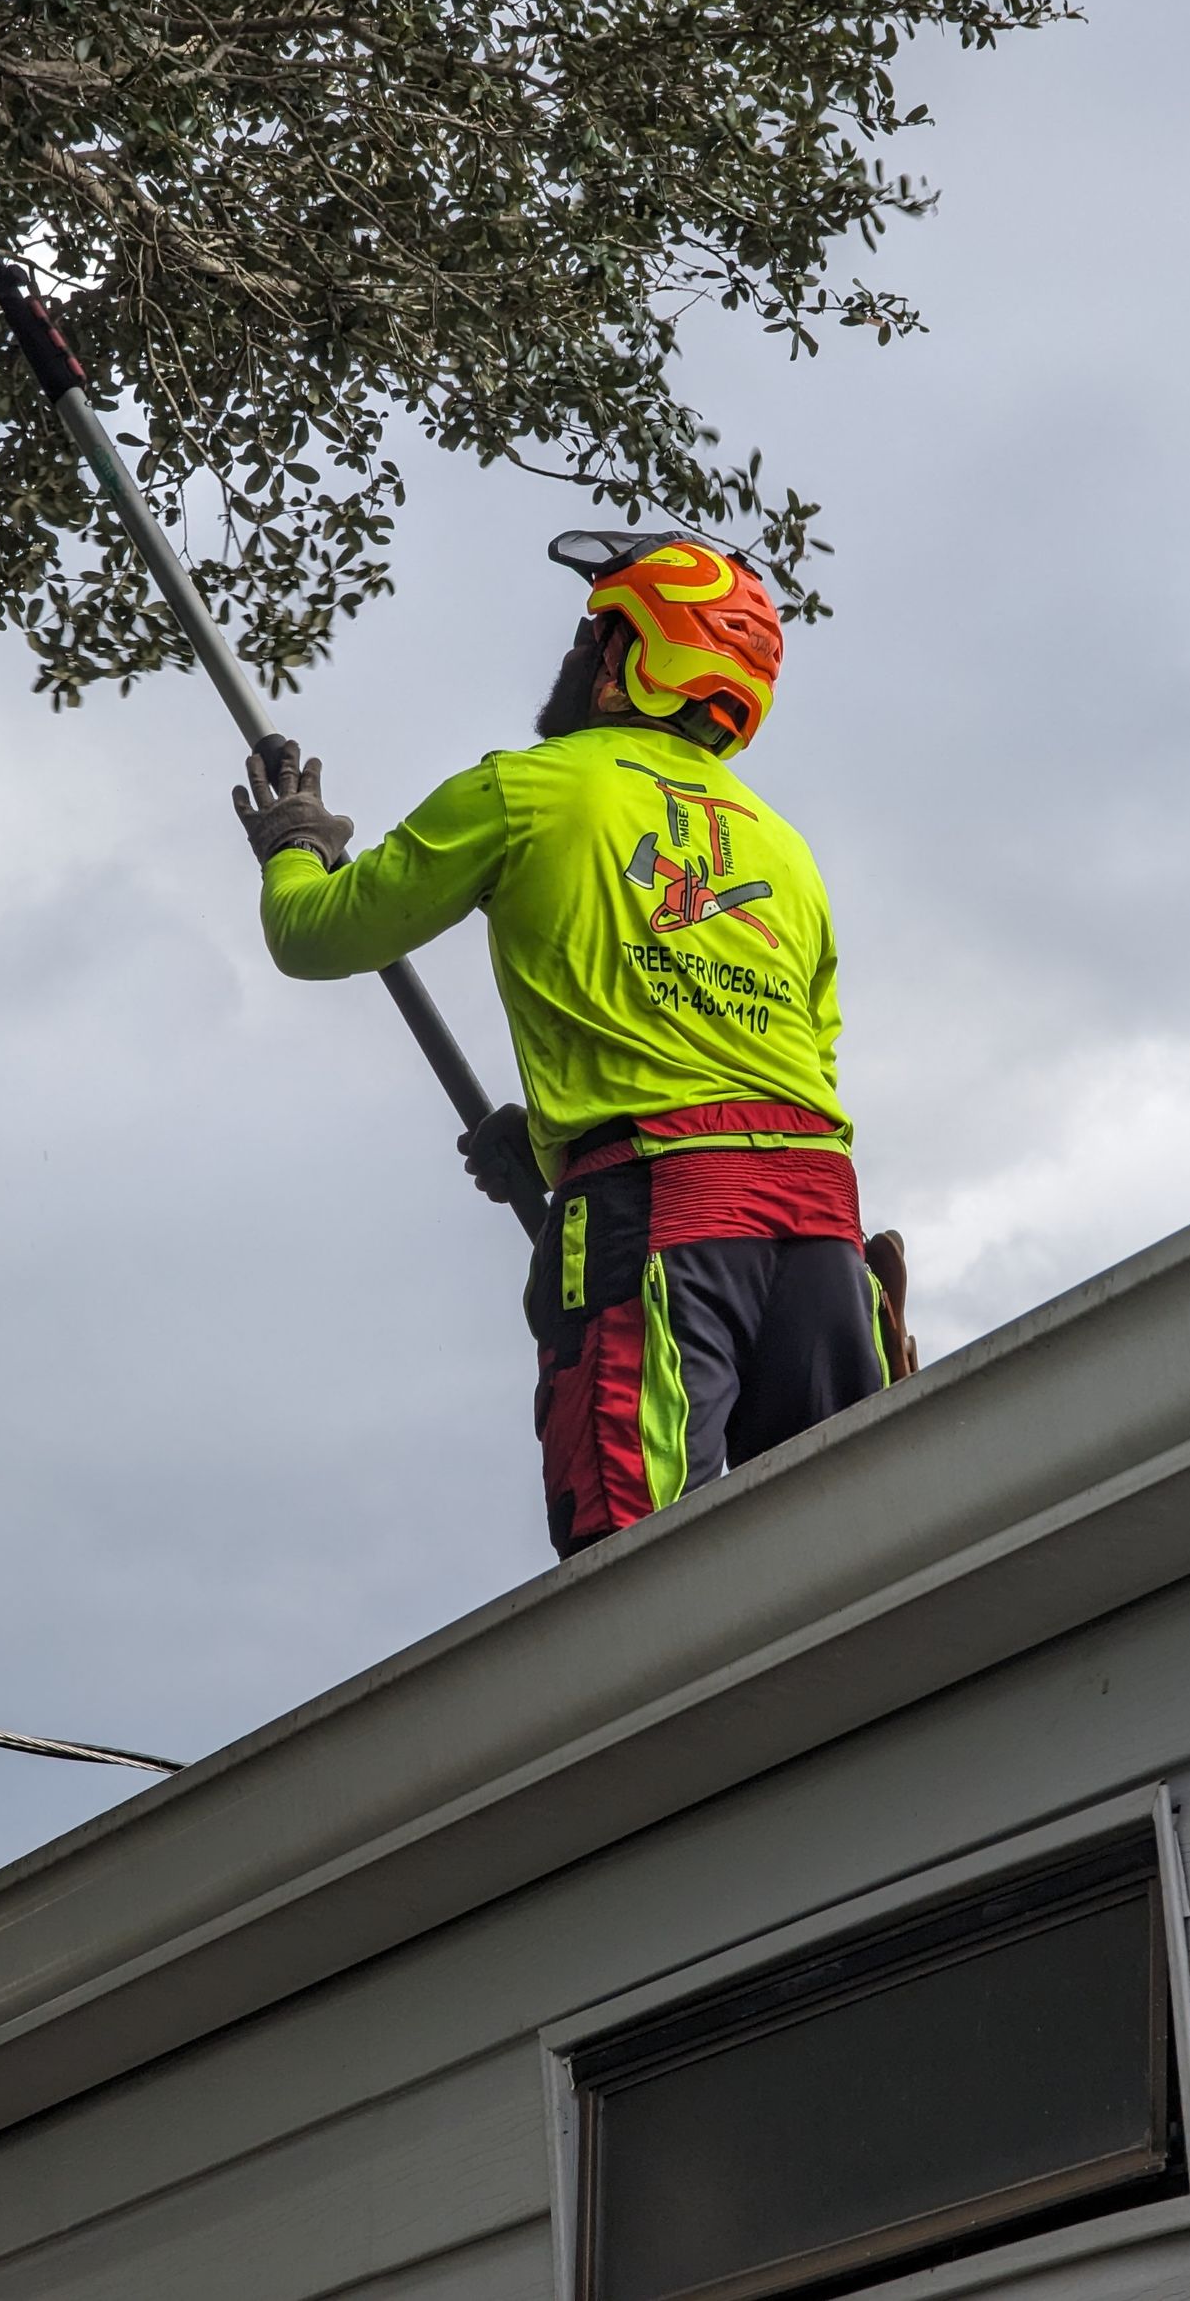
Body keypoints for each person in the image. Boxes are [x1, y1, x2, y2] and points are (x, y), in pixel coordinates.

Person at [233, 531, 915, 1559]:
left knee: (638, 1579)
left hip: (660, 1220)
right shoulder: (786, 850)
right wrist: (558, 1149)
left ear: (631, 658)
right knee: (853, 1571)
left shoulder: (529, 787)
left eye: (594, 635)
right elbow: (777, 1071)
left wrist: (296, 850)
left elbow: (318, 936)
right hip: (824, 1237)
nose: (576, 657)